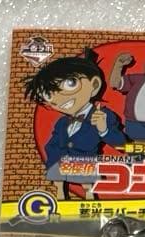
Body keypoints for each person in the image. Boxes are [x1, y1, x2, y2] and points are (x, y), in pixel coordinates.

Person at [23, 48, 127, 200]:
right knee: (58, 179)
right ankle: (61, 196)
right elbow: (52, 144)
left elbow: (122, 144)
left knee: (87, 186)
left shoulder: (102, 115)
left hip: (85, 163)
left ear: (94, 85)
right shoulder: (62, 122)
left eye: (70, 84)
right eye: (48, 94)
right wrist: (53, 161)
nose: (59, 98)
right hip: (62, 163)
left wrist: (104, 130)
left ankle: (90, 198)